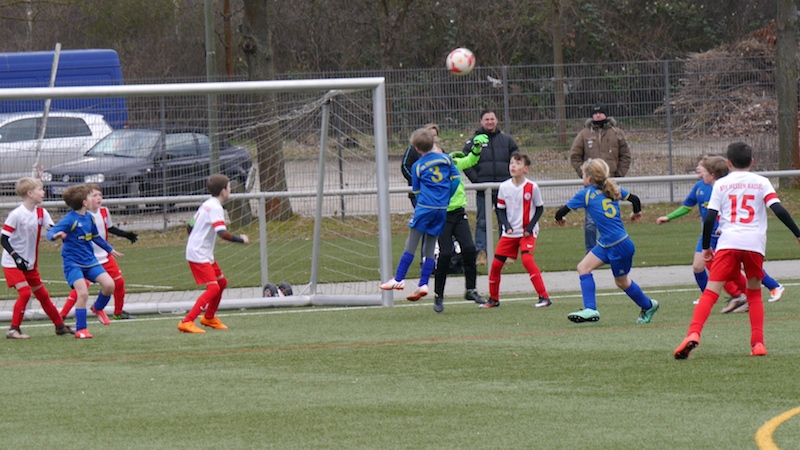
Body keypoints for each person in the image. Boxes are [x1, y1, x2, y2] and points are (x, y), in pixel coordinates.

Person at [674, 142, 800, 359]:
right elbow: (778, 209)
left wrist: (706, 247)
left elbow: (710, 218)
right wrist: (797, 233)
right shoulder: (762, 182)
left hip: (728, 243)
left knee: (710, 293)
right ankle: (758, 343)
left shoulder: (721, 184)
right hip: (754, 244)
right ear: (752, 161)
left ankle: (693, 333)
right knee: (754, 294)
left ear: (729, 163)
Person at [656, 155, 784, 312]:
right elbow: (688, 206)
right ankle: (717, 296)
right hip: (707, 234)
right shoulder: (699, 187)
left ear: (712, 174)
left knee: (738, 266)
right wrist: (669, 217)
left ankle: (769, 288)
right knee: (699, 266)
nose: (698, 170)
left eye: (701, 168)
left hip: (724, 234)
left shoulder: (724, 187)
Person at [555, 158, 658, 324]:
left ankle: (649, 305)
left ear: (589, 178)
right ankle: (590, 309)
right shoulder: (612, 189)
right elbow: (635, 199)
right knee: (583, 268)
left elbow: (560, 212)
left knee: (622, 282)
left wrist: (560, 219)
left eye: (583, 175)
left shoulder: (586, 194)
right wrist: (636, 213)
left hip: (619, 245)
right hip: (607, 243)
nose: (583, 178)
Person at [380, 128, 460, 301]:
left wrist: (423, 204)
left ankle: (398, 279)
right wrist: (446, 198)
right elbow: (456, 180)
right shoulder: (446, 159)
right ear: (433, 143)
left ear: (416, 148)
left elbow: (416, 190)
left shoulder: (417, 166)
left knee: (411, 244)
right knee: (429, 248)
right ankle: (423, 284)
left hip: (425, 208)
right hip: (441, 210)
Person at [2, 178, 74, 339]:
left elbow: (51, 230)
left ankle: (60, 326)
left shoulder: (41, 213)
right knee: (25, 293)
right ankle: (13, 330)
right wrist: (16, 257)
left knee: (42, 295)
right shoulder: (16, 214)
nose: (43, 193)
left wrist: (59, 234)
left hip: (29, 264)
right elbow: (4, 239)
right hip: (12, 263)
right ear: (30, 193)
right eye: (40, 190)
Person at [47, 184, 121, 339]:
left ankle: (98, 308)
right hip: (73, 263)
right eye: (90, 196)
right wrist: (55, 235)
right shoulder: (70, 220)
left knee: (109, 285)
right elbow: (51, 232)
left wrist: (109, 249)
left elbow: (95, 236)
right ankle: (81, 329)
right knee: (83, 293)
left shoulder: (89, 218)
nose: (94, 198)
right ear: (85, 203)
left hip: (90, 261)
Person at [180, 174, 250, 334]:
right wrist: (241, 239)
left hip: (201, 251)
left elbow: (190, 225)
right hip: (198, 254)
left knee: (221, 282)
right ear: (224, 191)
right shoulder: (216, 208)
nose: (230, 190)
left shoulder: (207, 204)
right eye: (229, 187)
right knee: (213, 288)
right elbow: (222, 233)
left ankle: (209, 317)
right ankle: (187, 321)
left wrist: (196, 238)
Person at [480, 153, 551, 309]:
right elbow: (500, 209)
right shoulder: (504, 187)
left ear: (526, 169)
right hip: (510, 233)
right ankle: (493, 299)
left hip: (526, 232)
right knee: (496, 264)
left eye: (518, 163)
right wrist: (507, 226)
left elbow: (539, 209)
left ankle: (544, 297)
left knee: (527, 260)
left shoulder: (532, 187)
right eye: (512, 163)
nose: (513, 166)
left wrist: (530, 227)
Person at [59, 184, 138, 320]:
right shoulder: (82, 216)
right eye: (94, 195)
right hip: (86, 259)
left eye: (100, 195)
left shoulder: (104, 211)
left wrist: (126, 235)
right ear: (85, 200)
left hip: (104, 256)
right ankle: (62, 315)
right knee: (81, 290)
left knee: (118, 283)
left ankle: (118, 312)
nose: (98, 198)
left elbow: (109, 228)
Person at [432, 136, 487, 312]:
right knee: (445, 253)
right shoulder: (429, 170)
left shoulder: (453, 163)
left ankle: (471, 289)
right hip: (441, 215)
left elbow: (470, 160)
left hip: (458, 213)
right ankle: (438, 295)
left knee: (469, 249)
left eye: (437, 150)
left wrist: (476, 149)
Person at [569, 102, 631, 253]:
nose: (598, 115)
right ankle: (591, 252)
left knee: (613, 218)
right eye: (595, 113)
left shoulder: (617, 133)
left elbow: (625, 155)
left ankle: (614, 247)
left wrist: (619, 175)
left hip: (610, 183)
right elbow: (574, 156)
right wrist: (586, 175)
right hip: (591, 186)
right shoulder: (584, 134)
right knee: (590, 222)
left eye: (600, 112)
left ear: (606, 114)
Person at [461, 109, 519, 266]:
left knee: (505, 221)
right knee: (482, 222)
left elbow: (517, 158)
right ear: (481, 121)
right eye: (486, 119)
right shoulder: (474, 142)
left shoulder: (507, 140)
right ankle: (482, 253)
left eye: (492, 119)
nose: (490, 122)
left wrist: (511, 178)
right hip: (483, 190)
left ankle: (506, 253)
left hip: (504, 189)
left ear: (497, 120)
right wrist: (476, 179)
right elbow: (464, 161)